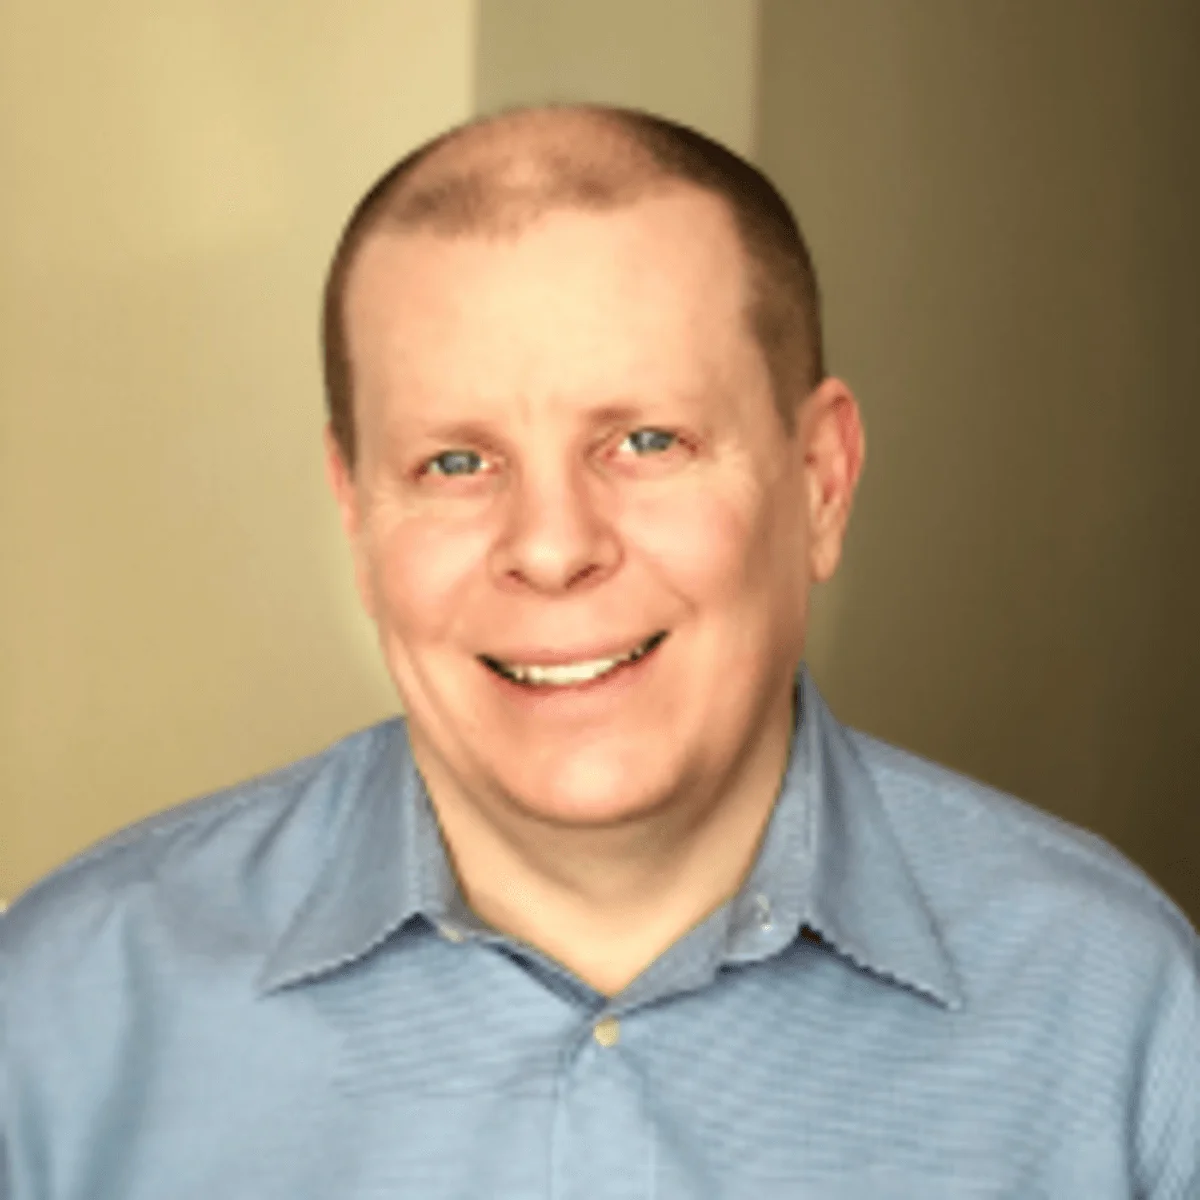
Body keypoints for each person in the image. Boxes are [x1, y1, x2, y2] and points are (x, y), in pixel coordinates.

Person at [1, 104, 1196, 1198]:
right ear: (357, 513)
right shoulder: (61, 1016)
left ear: (821, 482)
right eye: (455, 464)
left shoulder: (1120, 1014)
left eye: (646, 440)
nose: (553, 547)